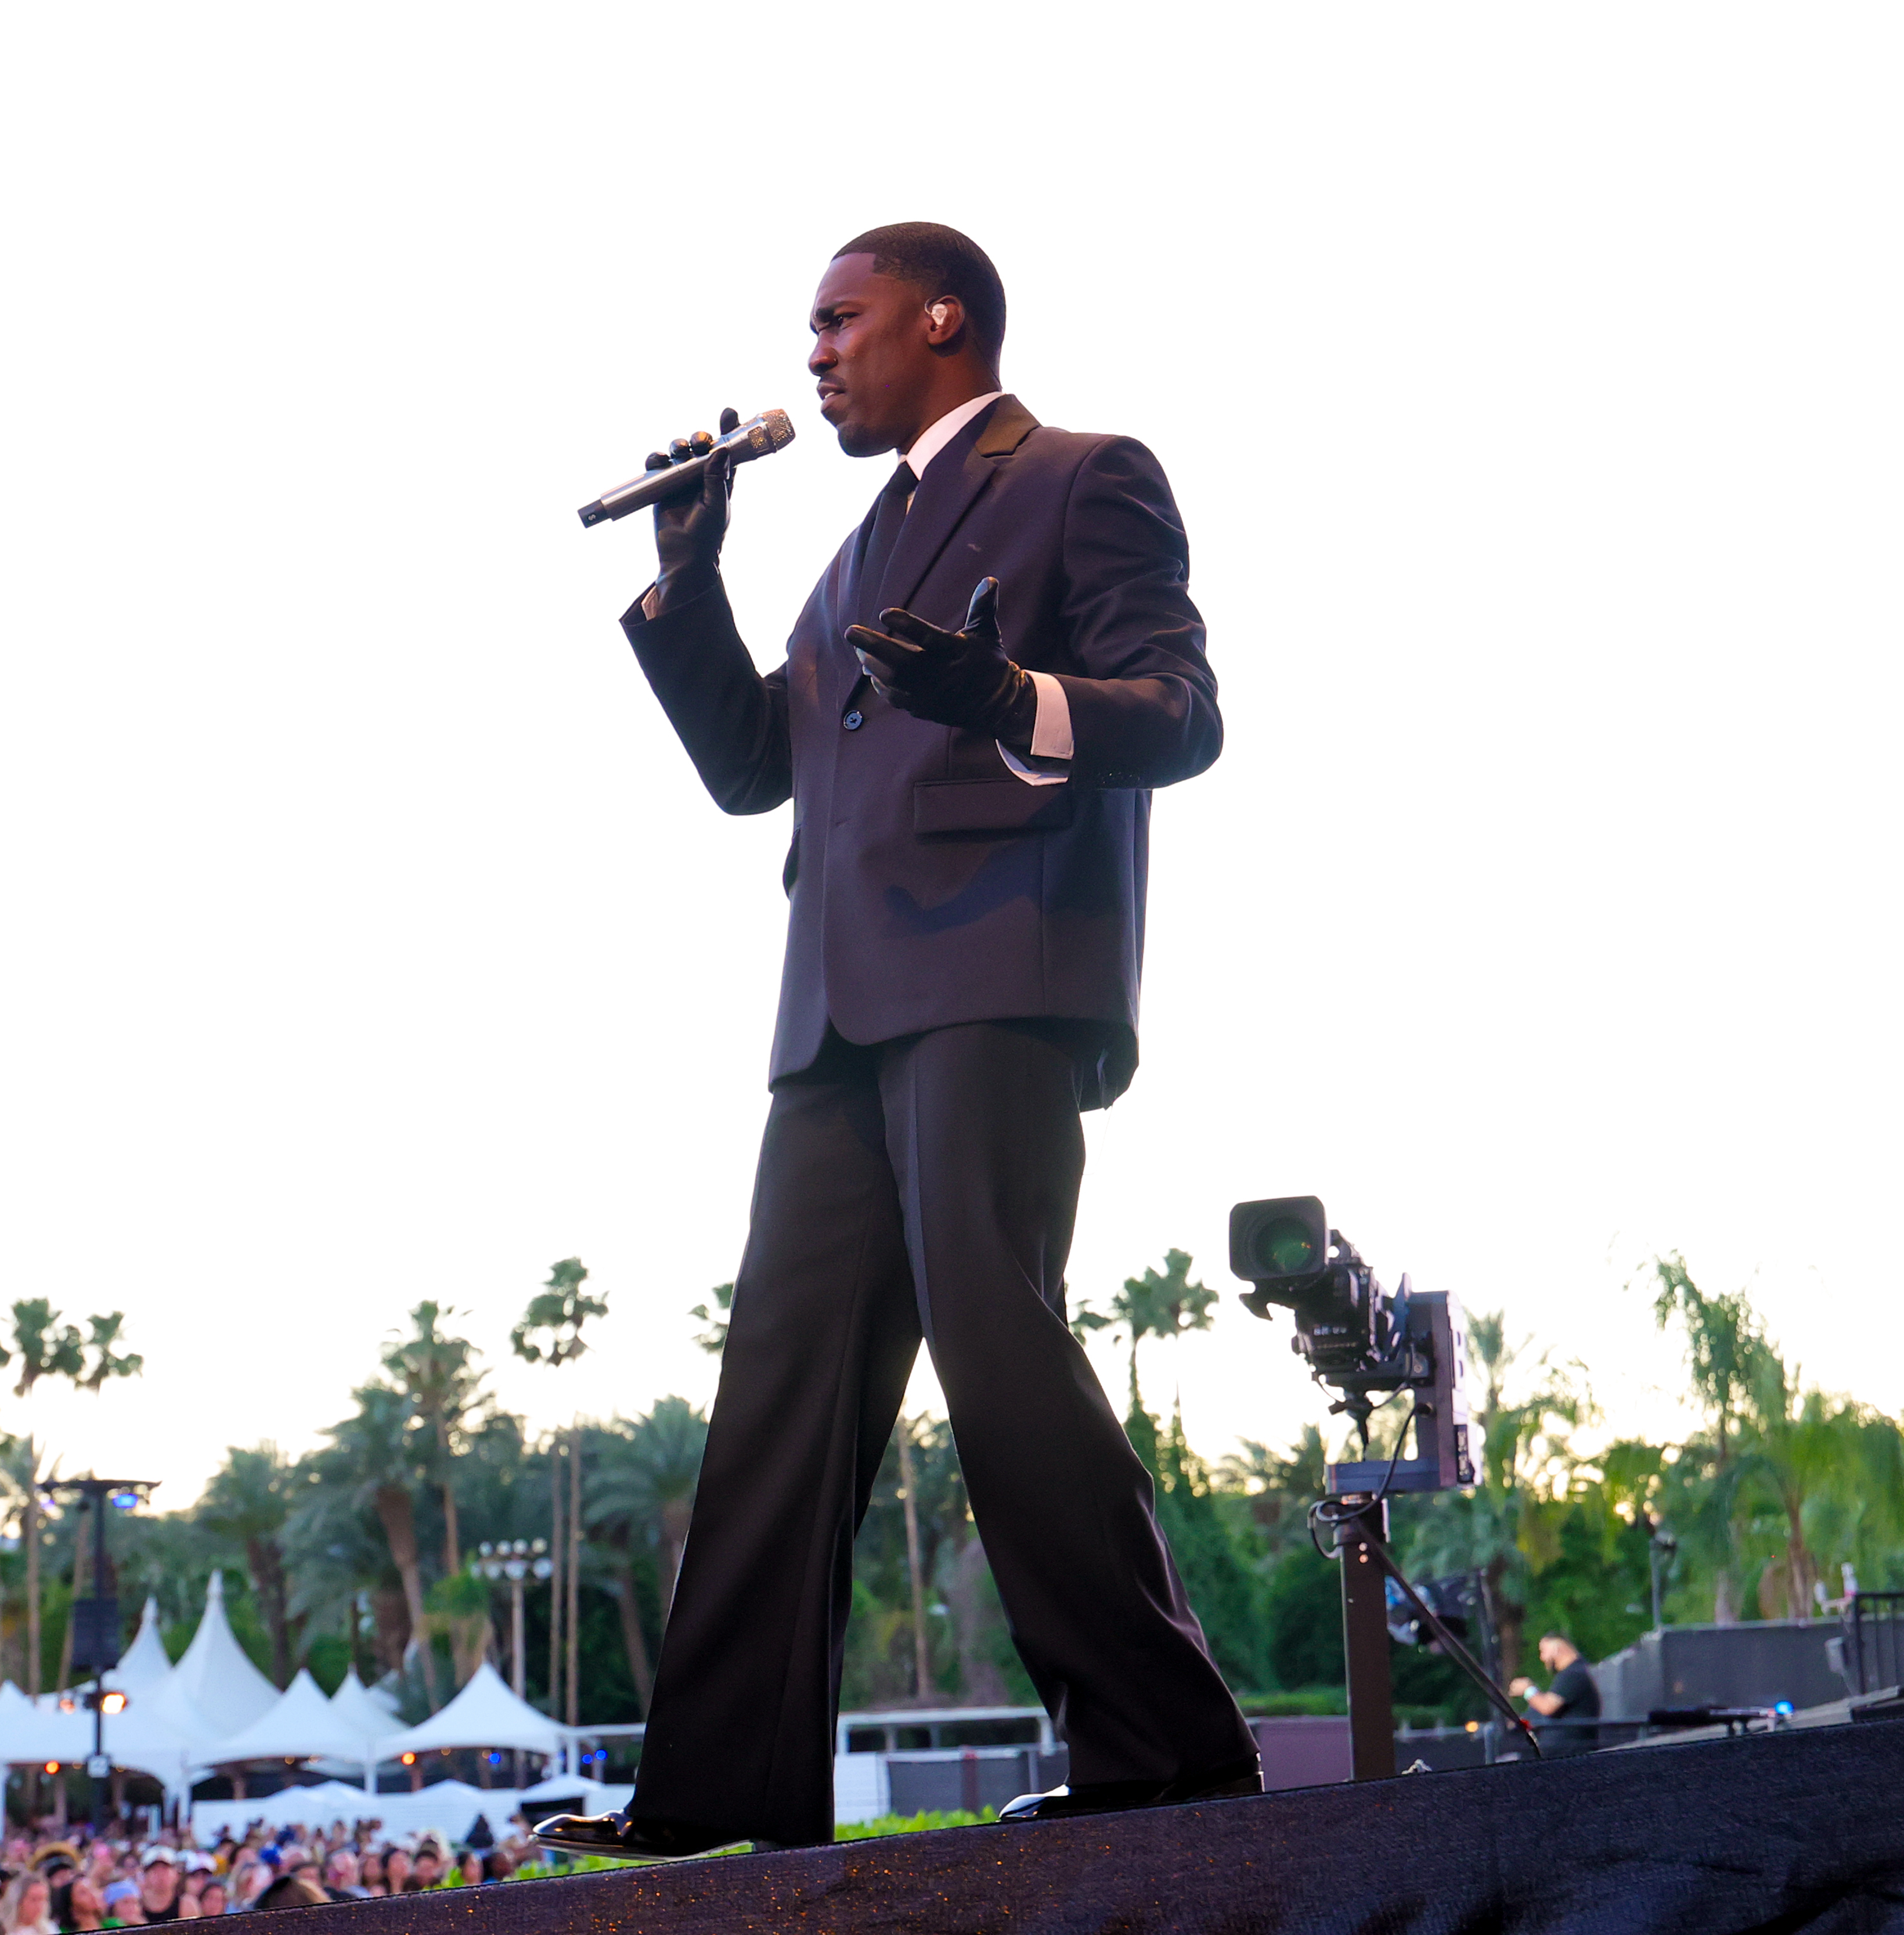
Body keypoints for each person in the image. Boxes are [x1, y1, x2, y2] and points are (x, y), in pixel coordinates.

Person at [535, 221, 1257, 1864]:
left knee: (995, 1342)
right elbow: (749, 767)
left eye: (836, 321)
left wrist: (1011, 698)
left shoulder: (1083, 474)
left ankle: (1166, 1747)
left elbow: (1185, 711)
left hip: (999, 972)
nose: (812, 354)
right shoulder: (852, 552)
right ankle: (717, 1799)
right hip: (839, 1010)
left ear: (941, 317)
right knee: (779, 1386)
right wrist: (691, 575)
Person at [1512, 1633, 1605, 1757]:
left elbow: (1547, 1707)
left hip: (1570, 1756)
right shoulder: (1569, 1675)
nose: (1542, 1658)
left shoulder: (1574, 1674)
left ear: (1556, 1648)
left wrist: (1528, 1690)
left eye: (1543, 1651)